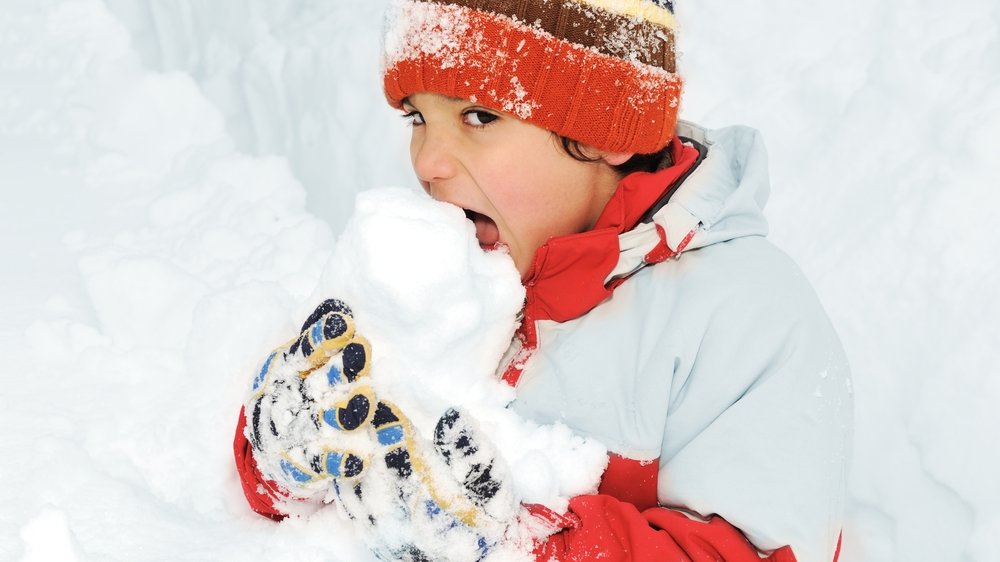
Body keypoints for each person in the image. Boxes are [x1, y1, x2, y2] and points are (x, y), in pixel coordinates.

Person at [234, 1, 853, 561]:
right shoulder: (441, 270)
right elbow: (335, 486)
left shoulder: (749, 316)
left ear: (608, 130)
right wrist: (281, 460)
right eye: (416, 117)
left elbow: (749, 552)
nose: (426, 163)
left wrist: (524, 548)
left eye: (479, 115)